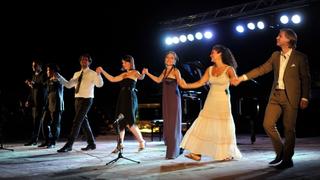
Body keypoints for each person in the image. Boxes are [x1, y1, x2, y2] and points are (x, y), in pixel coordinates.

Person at [235, 28, 311, 169]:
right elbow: (262, 69)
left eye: (280, 36)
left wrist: (305, 97)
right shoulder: (275, 55)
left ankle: (287, 160)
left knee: (289, 129)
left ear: (288, 40)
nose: (277, 37)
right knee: (267, 124)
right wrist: (243, 77)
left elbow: (306, 79)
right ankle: (281, 152)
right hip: (275, 95)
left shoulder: (300, 57)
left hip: (291, 97)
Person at [179, 44, 242, 161]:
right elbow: (200, 82)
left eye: (212, 52)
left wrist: (235, 80)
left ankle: (225, 153)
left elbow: (235, 81)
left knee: (222, 126)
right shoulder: (210, 69)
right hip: (211, 100)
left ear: (220, 54)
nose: (210, 55)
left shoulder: (229, 69)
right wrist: (185, 85)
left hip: (223, 101)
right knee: (203, 124)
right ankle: (196, 153)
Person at [96, 55, 145, 153]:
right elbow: (112, 79)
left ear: (130, 62)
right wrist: (102, 71)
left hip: (130, 97)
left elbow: (141, 77)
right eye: (122, 62)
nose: (123, 64)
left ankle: (141, 141)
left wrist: (143, 73)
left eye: (125, 62)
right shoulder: (123, 74)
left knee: (130, 122)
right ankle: (119, 145)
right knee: (120, 122)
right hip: (122, 98)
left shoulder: (135, 72)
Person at [56, 53, 104, 152]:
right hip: (77, 99)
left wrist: (98, 74)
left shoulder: (92, 73)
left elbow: (100, 85)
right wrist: (59, 77)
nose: (84, 61)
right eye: (82, 59)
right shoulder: (76, 74)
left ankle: (69, 145)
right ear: (80, 61)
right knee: (84, 122)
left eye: (86, 60)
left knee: (77, 121)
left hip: (87, 100)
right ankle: (91, 144)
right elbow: (69, 85)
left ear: (89, 62)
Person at [142, 51, 184, 159]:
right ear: (165, 59)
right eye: (167, 57)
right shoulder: (165, 71)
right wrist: (147, 73)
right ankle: (177, 147)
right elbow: (157, 80)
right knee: (169, 124)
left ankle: (173, 151)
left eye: (172, 58)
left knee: (174, 124)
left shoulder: (176, 71)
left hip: (174, 99)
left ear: (175, 61)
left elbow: (181, 83)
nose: (169, 59)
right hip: (166, 99)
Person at [38, 63, 64, 148]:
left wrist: (56, 77)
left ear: (53, 71)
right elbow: (47, 92)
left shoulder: (58, 79)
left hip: (57, 105)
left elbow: (61, 85)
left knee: (55, 125)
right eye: (47, 70)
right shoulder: (49, 80)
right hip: (49, 104)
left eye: (49, 70)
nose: (47, 72)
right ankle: (47, 140)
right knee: (44, 122)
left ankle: (53, 142)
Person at [24, 59, 48, 146]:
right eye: (32, 65)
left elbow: (45, 87)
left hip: (41, 102)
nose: (33, 67)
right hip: (34, 102)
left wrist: (33, 84)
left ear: (39, 66)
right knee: (35, 121)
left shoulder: (44, 74)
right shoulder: (34, 75)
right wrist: (28, 100)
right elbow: (32, 89)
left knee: (40, 121)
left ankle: (43, 139)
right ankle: (34, 139)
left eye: (35, 65)